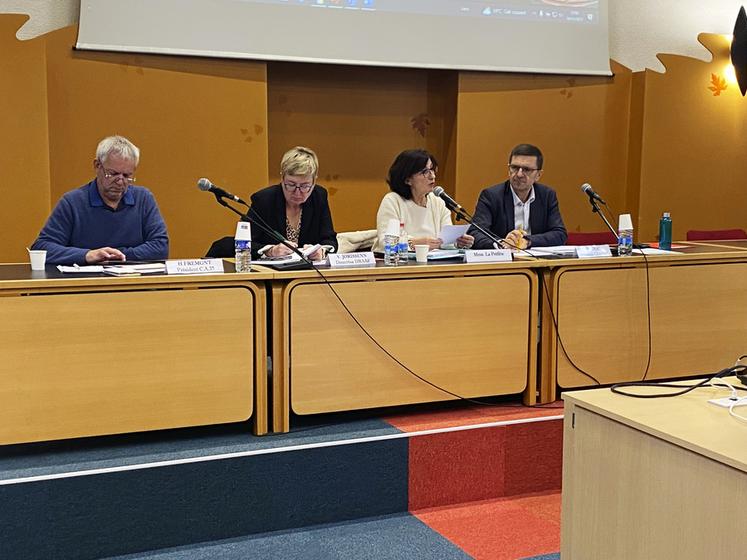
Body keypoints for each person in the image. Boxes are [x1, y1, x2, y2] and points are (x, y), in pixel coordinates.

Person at [32, 135, 168, 265]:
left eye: (127, 176)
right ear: (97, 166)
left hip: (135, 285)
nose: (120, 182)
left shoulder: (143, 198)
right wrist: (88, 255)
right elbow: (41, 248)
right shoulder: (73, 202)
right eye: (113, 174)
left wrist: (116, 256)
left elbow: (161, 247)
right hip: (87, 286)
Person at [205, 146, 337, 260]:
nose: (297, 192)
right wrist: (270, 250)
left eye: (305, 186)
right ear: (282, 178)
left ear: (314, 181)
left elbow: (330, 239)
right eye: (291, 185)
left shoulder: (319, 196)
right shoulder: (264, 200)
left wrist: (322, 250)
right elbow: (241, 243)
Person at [373, 149, 474, 253]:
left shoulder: (437, 201)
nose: (432, 176)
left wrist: (458, 242)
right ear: (407, 179)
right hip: (400, 264)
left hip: (434, 264)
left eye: (432, 170)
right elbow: (386, 242)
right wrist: (417, 243)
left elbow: (445, 240)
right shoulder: (393, 201)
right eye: (425, 172)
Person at [469, 144, 567, 250]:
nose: (519, 174)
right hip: (503, 261)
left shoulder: (547, 195)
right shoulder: (491, 196)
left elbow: (559, 234)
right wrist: (501, 243)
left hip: (536, 261)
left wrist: (528, 241)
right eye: (515, 168)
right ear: (508, 169)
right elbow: (475, 232)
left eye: (526, 169)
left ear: (538, 175)